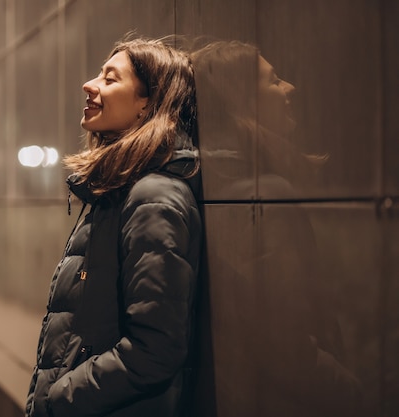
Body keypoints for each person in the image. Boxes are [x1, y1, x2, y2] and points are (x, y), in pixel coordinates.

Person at [25, 36, 203, 417]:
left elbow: (156, 349)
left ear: (147, 105)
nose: (90, 85)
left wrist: (60, 398)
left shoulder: (153, 197)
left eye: (110, 79)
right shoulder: (120, 191)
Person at [190, 40, 361, 417]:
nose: (290, 89)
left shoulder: (207, 185)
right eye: (274, 80)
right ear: (241, 101)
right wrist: (353, 392)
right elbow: (285, 345)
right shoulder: (262, 193)